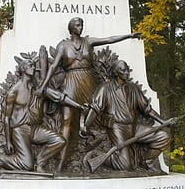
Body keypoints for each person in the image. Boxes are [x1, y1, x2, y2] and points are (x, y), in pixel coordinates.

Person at [37, 17, 141, 171]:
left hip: (88, 82)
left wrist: (129, 35)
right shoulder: (63, 46)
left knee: (95, 117)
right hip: (71, 83)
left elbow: (109, 39)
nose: (81, 27)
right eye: (78, 25)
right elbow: (53, 67)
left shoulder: (89, 42)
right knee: (67, 121)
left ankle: (98, 155)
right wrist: (43, 86)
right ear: (71, 28)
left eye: (82, 25)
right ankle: (60, 163)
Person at [81, 60, 175, 172]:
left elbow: (146, 109)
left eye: (127, 69)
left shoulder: (133, 88)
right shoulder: (105, 88)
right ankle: (96, 155)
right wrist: (86, 125)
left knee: (163, 136)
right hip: (118, 128)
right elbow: (96, 108)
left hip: (134, 127)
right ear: (116, 72)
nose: (126, 72)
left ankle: (147, 161)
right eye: (123, 70)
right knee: (125, 166)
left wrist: (163, 121)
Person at [0, 59, 83, 173]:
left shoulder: (38, 88)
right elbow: (6, 117)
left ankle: (40, 163)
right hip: (20, 130)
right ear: (23, 69)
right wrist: (8, 141)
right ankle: (0, 160)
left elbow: (59, 97)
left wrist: (79, 106)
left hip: (35, 129)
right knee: (27, 165)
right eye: (30, 66)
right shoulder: (14, 91)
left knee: (59, 141)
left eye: (33, 65)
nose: (33, 68)